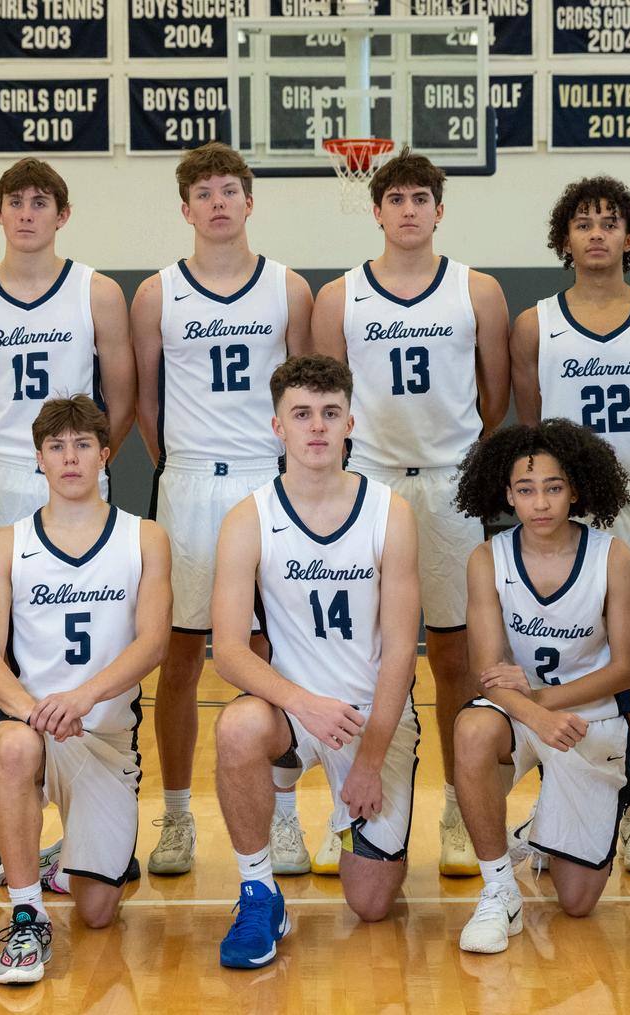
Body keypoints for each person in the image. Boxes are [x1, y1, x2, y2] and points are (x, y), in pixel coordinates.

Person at [311, 148, 510, 875]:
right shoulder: (339, 297)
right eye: (394, 199)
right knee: (361, 653)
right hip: (367, 483)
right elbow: (327, 399)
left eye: (420, 198)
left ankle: (458, 805)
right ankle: (350, 806)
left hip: (451, 483)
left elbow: (494, 396)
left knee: (455, 656)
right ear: (376, 211)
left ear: (438, 209)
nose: (407, 210)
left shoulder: (476, 290)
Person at [0, 157, 136, 886]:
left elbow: (121, 400)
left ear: (63, 214)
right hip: (0, 471)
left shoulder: (97, 292)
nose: (27, 213)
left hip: (78, 470)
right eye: (15, 202)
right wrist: (20, 454)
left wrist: (79, 459)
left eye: (40, 202)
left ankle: (107, 811)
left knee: (102, 641)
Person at [131, 142, 315, 877]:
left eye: (228, 190)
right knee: (177, 658)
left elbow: (305, 392)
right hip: (186, 484)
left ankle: (284, 815)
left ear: (248, 201)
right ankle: (177, 815)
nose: (217, 202)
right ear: (185, 209)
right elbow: (146, 403)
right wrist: (180, 461)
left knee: (270, 656)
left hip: (267, 483)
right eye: (203, 192)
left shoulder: (288, 288)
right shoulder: (156, 294)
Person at [510, 176, 630, 875]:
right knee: (555, 660)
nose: (596, 233)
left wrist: (628, 480)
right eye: (583, 222)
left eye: (609, 222)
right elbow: (532, 425)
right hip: (557, 514)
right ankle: (555, 803)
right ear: (564, 238)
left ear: (629, 237)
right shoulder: (534, 325)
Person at [210, 355, 421, 968]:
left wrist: (370, 762)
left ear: (351, 422)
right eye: (301, 414)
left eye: (330, 413)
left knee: (371, 903)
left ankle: (345, 804)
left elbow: (402, 652)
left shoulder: (390, 512)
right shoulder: (249, 517)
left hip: (369, 715)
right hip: (293, 712)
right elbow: (228, 651)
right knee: (238, 726)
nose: (317, 427)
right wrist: (304, 703)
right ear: (278, 426)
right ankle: (259, 893)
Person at [0, 395, 170, 984]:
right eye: (56, 447)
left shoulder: (144, 538)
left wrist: (83, 698)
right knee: (12, 747)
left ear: (105, 455)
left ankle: (63, 856)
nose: (70, 458)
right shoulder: (7, 544)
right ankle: (27, 914)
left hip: (104, 738)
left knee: (99, 912)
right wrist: (34, 712)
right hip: (31, 728)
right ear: (39, 459)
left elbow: (153, 643)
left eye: (83, 445)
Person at [450, 420, 630, 954]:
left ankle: (542, 830)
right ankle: (499, 890)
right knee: (471, 729)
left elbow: (628, 669)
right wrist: (533, 714)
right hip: (516, 714)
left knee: (577, 901)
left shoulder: (613, 557)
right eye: (526, 489)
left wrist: (539, 701)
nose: (540, 503)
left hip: (588, 718)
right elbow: (486, 671)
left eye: (553, 488)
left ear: (575, 490)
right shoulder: (487, 558)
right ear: (507, 494)